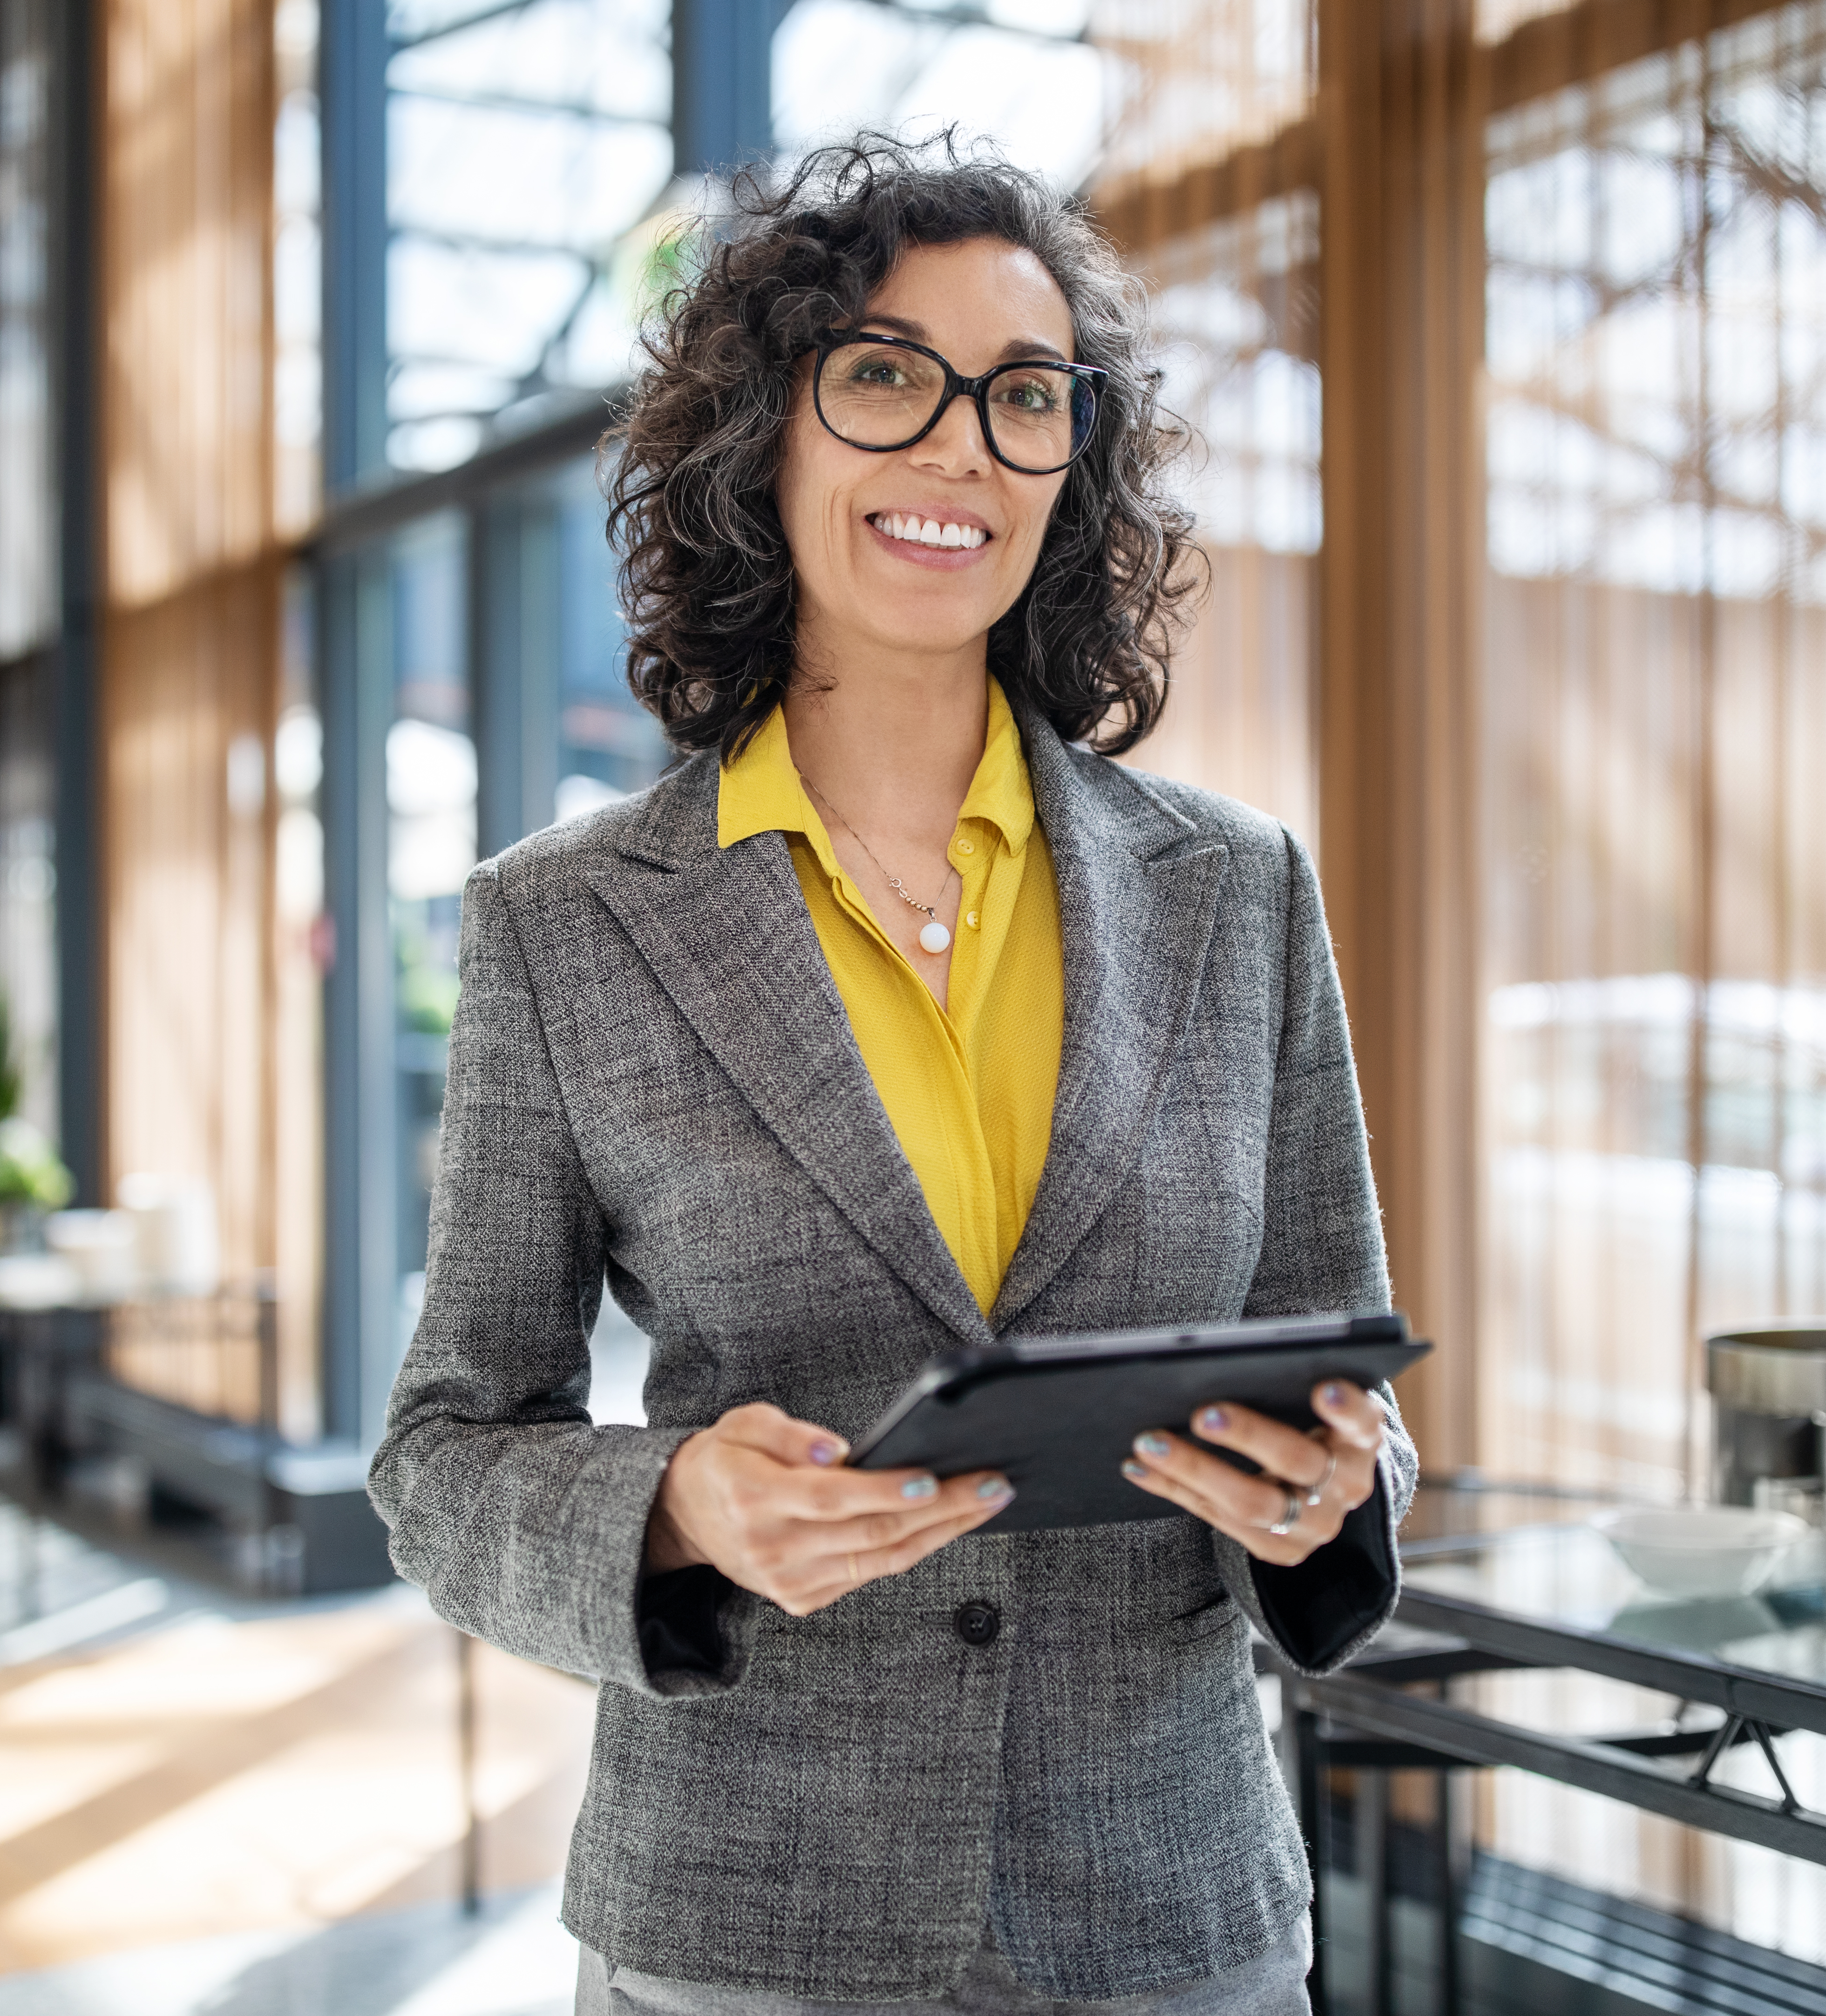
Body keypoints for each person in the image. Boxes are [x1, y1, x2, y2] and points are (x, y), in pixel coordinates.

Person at [366, 134, 1415, 2014]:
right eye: (883, 377)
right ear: (764, 435)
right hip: (753, 1926)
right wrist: (675, 1505)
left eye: (1024, 399)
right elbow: (444, 1456)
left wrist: (1332, 1493)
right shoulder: (570, 920)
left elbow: (1341, 1367)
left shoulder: (1234, 891)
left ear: (1070, 464)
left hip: (1164, 1916)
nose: (959, 450)